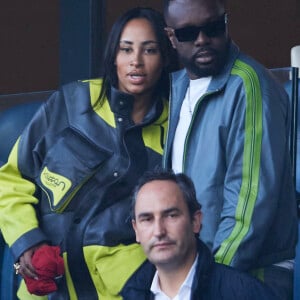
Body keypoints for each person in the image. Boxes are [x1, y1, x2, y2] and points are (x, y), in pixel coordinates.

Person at [0, 7, 174, 299]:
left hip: (121, 290)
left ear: (164, 58)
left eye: (150, 50)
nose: (136, 62)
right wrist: (28, 242)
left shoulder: (174, 128)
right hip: (47, 284)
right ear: (113, 56)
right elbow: (12, 180)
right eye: (126, 49)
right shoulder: (71, 103)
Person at [161, 0, 298, 299]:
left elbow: (249, 201)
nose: (202, 39)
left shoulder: (248, 85)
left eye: (212, 27)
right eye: (188, 33)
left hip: (248, 275)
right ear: (171, 37)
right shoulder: (179, 88)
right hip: (200, 274)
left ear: (226, 23)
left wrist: (207, 280)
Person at [121, 169, 278, 299]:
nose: (159, 231)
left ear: (195, 221)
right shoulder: (131, 294)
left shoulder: (244, 294)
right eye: (147, 219)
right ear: (136, 230)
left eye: (171, 215)